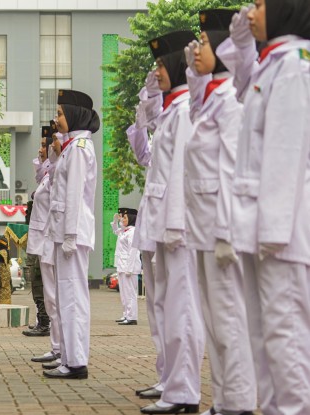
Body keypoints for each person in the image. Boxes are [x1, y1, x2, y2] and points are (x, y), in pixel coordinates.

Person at [218, 2, 310, 413]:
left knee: (286, 339)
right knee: (265, 340)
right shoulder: (273, 65)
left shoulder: (294, 65)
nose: (249, 11)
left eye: (258, 4)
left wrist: (271, 233)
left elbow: (286, 151)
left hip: (281, 232)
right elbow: (241, 85)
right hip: (261, 228)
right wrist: (239, 41)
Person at [183, 10, 257, 415]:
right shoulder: (210, 99)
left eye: (204, 43)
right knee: (214, 322)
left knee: (229, 321)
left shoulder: (230, 102)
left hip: (220, 229)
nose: (196, 50)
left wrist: (229, 231)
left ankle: (240, 403)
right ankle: (225, 402)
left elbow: (232, 167)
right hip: (203, 227)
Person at [139, 30, 206, 415]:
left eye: (162, 64)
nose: (158, 71)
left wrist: (178, 225)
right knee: (168, 304)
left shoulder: (182, 114)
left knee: (182, 307)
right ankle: (174, 386)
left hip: (176, 225)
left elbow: (180, 173)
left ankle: (183, 392)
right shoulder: (172, 111)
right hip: (164, 223)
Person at [42, 89, 99, 380]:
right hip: (64, 232)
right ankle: (68, 356)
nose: (56, 118)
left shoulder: (79, 150)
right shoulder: (70, 147)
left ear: (75, 115)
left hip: (72, 235)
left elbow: (76, 195)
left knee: (73, 296)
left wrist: (70, 235)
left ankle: (76, 362)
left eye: (61, 113)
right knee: (66, 296)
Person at [127, 69, 165, 399]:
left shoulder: (179, 118)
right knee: (156, 303)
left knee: (171, 303)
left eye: (150, 100)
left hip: (170, 225)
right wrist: (139, 126)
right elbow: (142, 156)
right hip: (152, 224)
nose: (145, 105)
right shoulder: (158, 133)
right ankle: (166, 375)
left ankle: (176, 380)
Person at [23, 125, 52, 337]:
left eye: (44, 146)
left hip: (46, 239)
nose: (40, 150)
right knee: (36, 280)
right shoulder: (45, 176)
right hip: (38, 238)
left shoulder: (53, 177)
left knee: (41, 281)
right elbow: (39, 172)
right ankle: (42, 319)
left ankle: (45, 321)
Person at [111, 208, 141, 326]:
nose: (122, 220)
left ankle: (132, 317)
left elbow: (133, 251)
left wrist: (129, 268)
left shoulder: (133, 232)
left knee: (130, 293)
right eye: (122, 217)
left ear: (131, 219)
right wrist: (115, 221)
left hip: (129, 267)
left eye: (125, 218)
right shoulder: (124, 230)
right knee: (123, 293)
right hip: (121, 265)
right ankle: (126, 314)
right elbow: (115, 231)